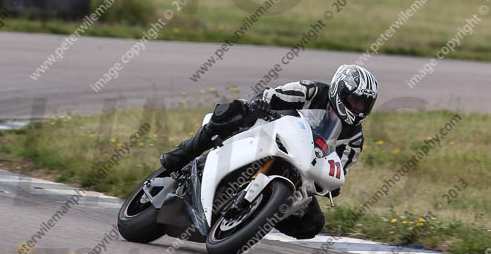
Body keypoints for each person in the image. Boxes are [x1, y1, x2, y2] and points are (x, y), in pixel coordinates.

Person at [160, 64, 378, 239]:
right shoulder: (310, 91)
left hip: (303, 168)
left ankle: (258, 216)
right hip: (270, 133)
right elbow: (272, 95)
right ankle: (184, 153)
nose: (358, 108)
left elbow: (340, 167)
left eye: (364, 104)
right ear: (339, 91)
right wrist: (261, 103)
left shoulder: (354, 139)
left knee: (313, 224)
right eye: (355, 100)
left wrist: (331, 186)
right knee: (235, 111)